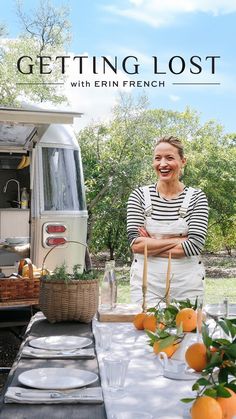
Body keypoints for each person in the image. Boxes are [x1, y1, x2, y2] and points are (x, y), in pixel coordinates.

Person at [127, 136, 208, 304]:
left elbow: (195, 245)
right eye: (158, 158)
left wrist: (150, 242)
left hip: (188, 284)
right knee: (145, 328)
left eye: (169, 158)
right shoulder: (139, 196)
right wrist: (179, 240)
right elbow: (136, 244)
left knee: (187, 329)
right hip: (145, 283)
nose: (162, 164)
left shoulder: (197, 197)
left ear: (183, 161)